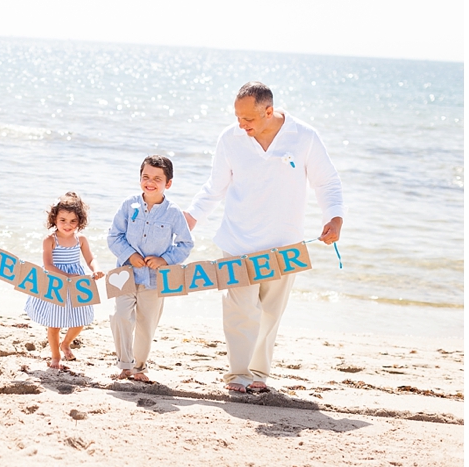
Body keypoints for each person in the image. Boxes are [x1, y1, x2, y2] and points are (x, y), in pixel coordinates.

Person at [184, 81, 344, 393]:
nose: (241, 125)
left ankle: (258, 374)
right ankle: (238, 374)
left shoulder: (304, 136)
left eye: (248, 119)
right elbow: (214, 187)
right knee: (240, 311)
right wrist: (188, 220)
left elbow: (327, 182)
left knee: (270, 313)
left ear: (268, 111)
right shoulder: (230, 139)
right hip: (238, 242)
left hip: (284, 246)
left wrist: (334, 218)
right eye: (237, 117)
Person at [107, 155, 193, 382]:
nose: (150, 182)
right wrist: (130, 254)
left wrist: (165, 259)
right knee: (120, 316)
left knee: (146, 323)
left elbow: (186, 244)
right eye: (146, 177)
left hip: (155, 280)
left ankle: (139, 368)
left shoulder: (173, 212)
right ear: (140, 179)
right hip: (124, 275)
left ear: (168, 183)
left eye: (157, 178)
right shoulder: (129, 205)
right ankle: (125, 364)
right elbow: (114, 236)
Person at [25, 192, 105, 369]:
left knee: (80, 320)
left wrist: (96, 269)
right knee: (54, 324)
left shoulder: (81, 239)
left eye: (73, 221)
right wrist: (68, 277)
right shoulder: (50, 240)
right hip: (56, 283)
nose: (68, 225)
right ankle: (56, 357)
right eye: (63, 220)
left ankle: (66, 343)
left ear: (80, 221)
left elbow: (90, 259)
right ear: (54, 219)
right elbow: (48, 265)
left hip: (77, 283)